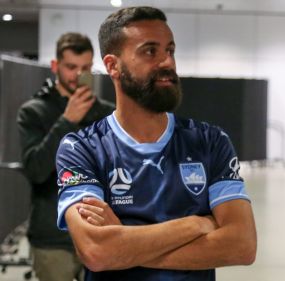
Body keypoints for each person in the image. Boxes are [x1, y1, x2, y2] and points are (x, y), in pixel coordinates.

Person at [55, 7, 257, 281]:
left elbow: (242, 245)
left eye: (170, 50)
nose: (167, 62)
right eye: (150, 51)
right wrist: (197, 224)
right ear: (113, 65)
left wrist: (124, 245)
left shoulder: (209, 141)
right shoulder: (81, 148)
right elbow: (96, 252)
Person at [17, 32, 114, 281]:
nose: (77, 75)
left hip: (99, 232)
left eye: (85, 68)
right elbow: (36, 171)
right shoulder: (34, 112)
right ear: (55, 66)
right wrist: (67, 121)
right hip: (52, 236)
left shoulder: (107, 115)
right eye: (71, 67)